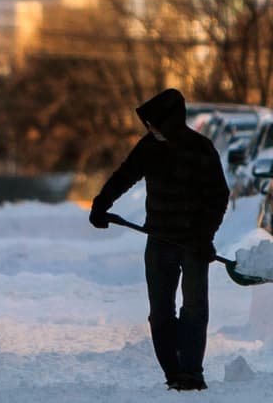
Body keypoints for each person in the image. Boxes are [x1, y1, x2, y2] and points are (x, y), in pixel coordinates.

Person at [88, 88, 230, 392]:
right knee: (161, 311)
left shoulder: (200, 149)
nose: (150, 129)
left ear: (171, 122)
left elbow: (218, 196)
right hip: (160, 241)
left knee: (194, 308)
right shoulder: (149, 147)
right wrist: (102, 203)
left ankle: (191, 371)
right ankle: (173, 372)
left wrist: (206, 237)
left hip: (193, 244)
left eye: (154, 124)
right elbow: (125, 175)